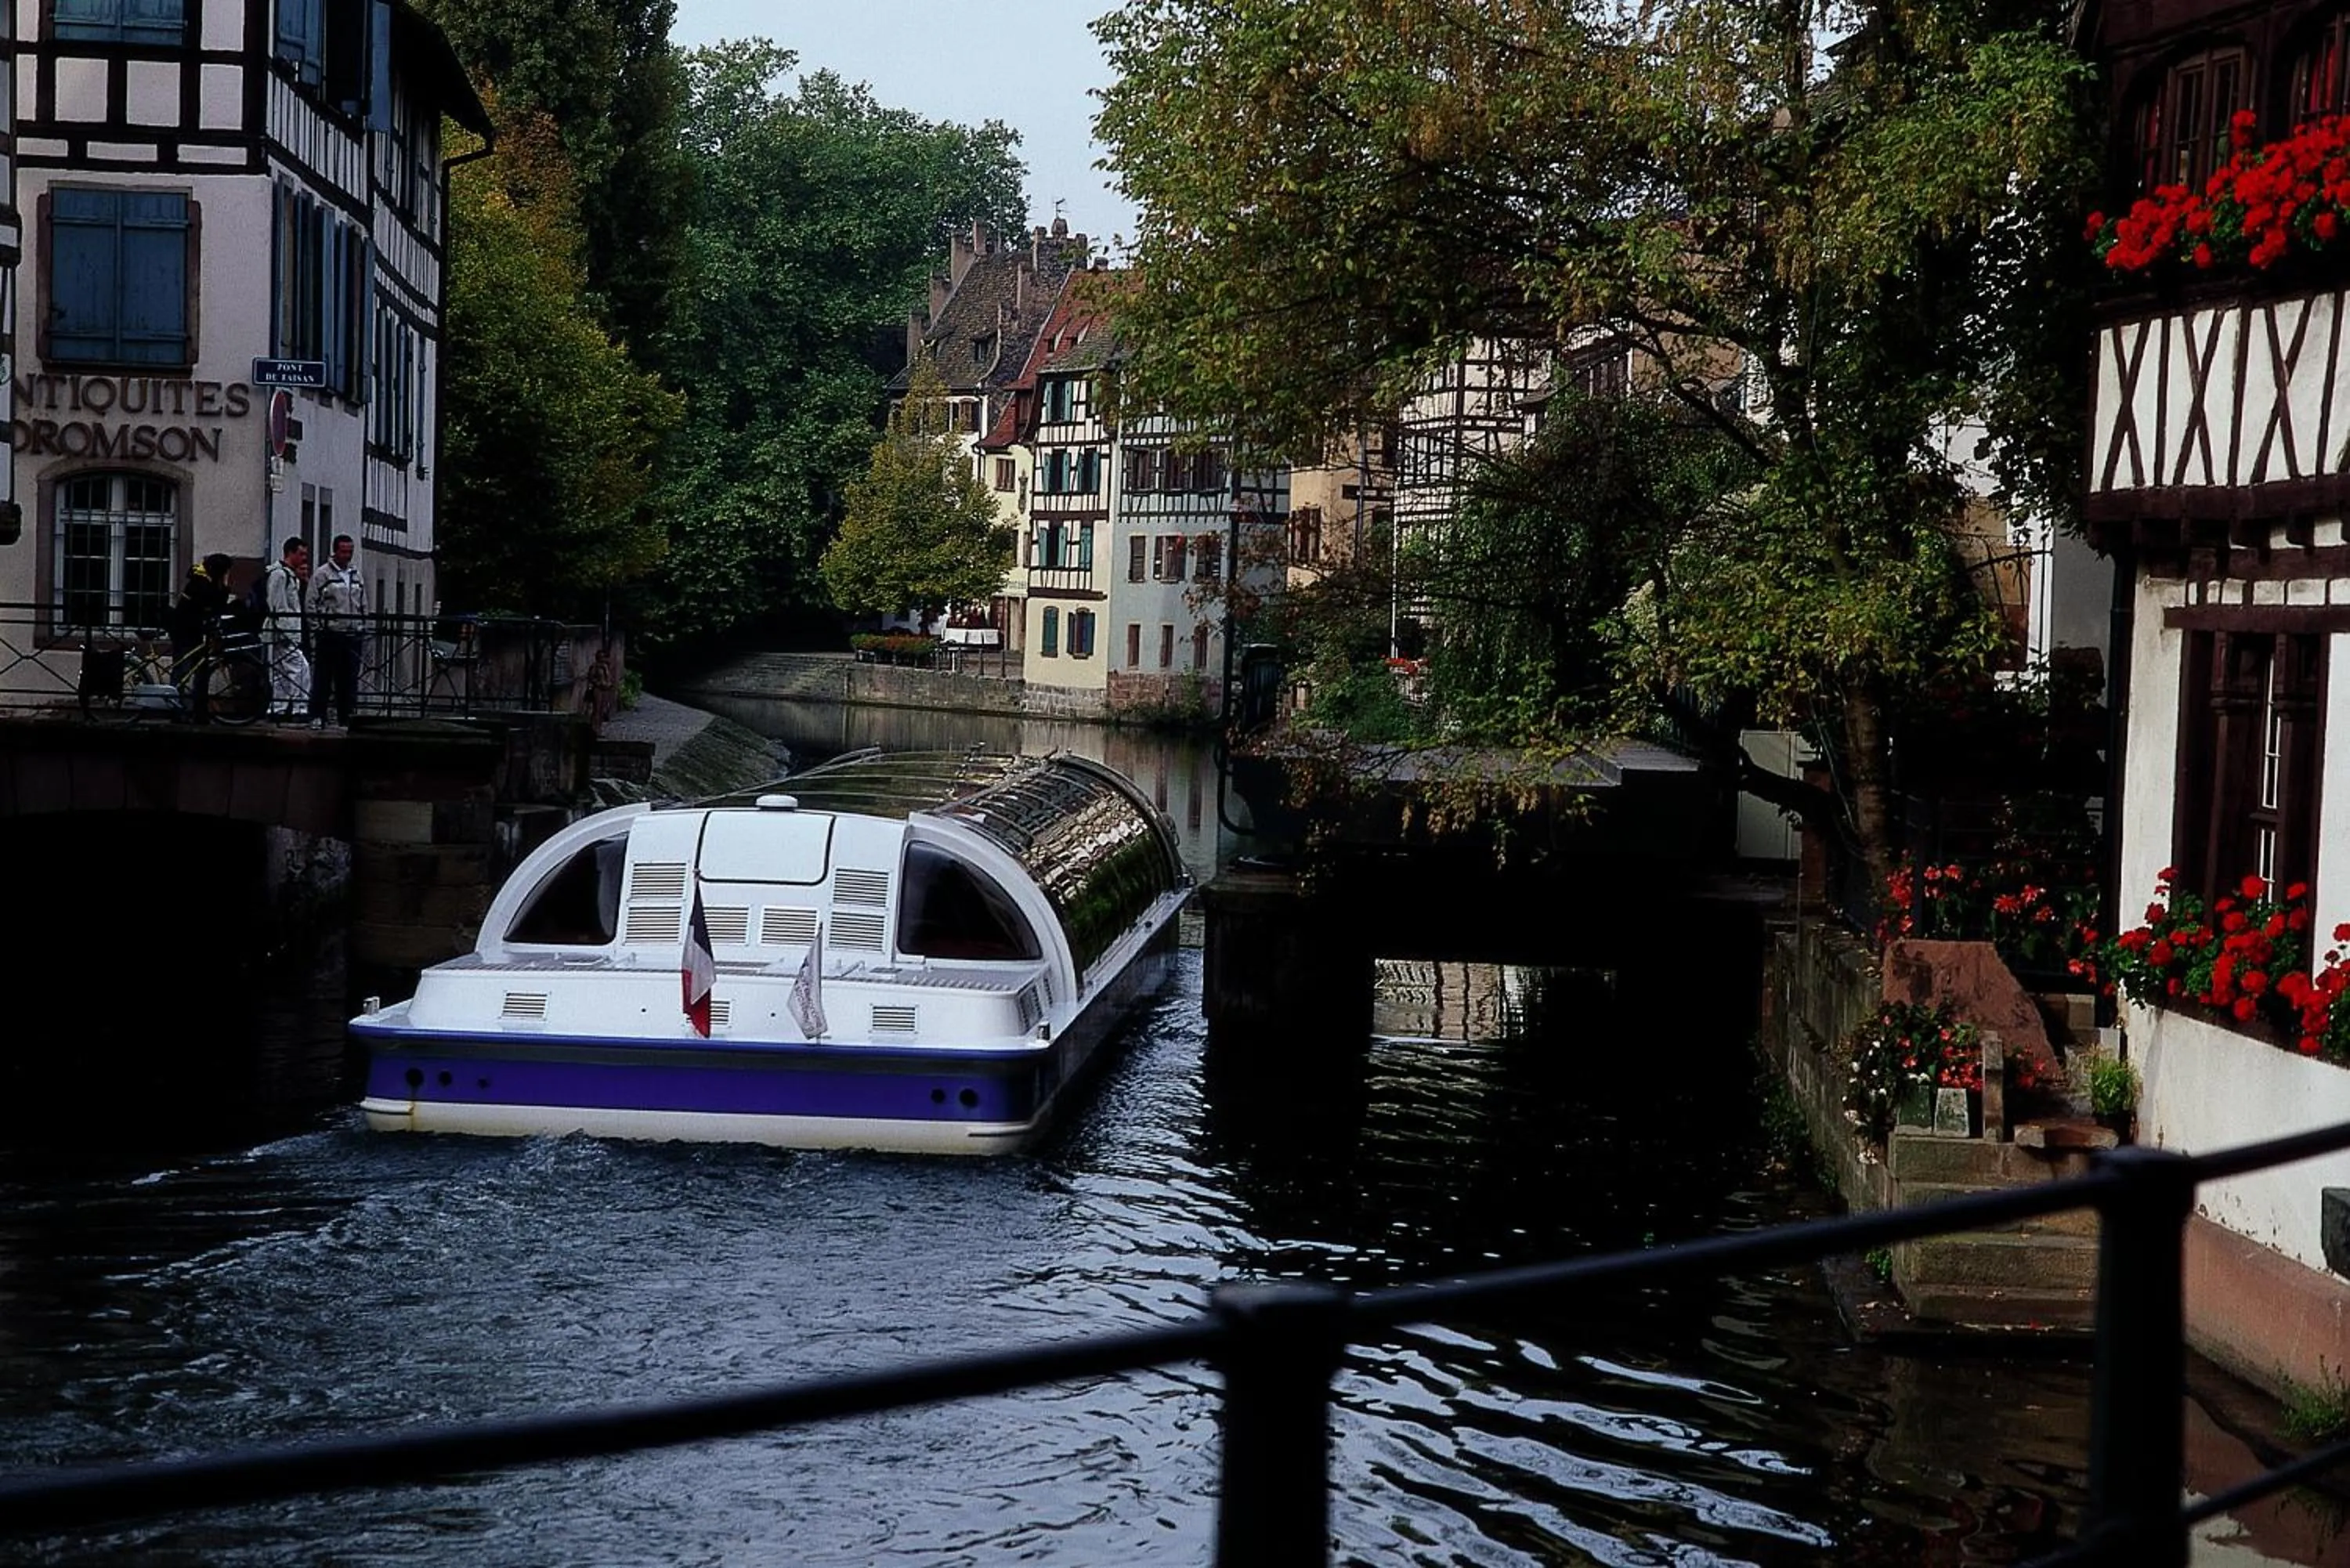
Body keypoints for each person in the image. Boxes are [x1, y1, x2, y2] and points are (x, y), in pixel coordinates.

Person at [307, 533, 367, 729]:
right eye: (344, 551)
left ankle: (346, 716)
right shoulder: (323, 574)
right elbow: (311, 603)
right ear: (335, 551)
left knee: (348, 678)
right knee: (323, 677)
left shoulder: (355, 574)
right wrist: (318, 628)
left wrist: (362, 624)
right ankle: (317, 715)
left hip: (352, 634)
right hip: (331, 633)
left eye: (350, 551)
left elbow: (363, 601)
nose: (347, 555)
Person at [167, 553, 236, 716]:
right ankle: (175, 707)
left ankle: (195, 708)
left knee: (198, 669)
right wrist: (225, 587)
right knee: (183, 670)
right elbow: (216, 605)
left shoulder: (204, 579)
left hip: (192, 631)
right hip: (185, 631)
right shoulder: (202, 583)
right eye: (226, 572)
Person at [262, 537, 311, 721]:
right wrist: (287, 630)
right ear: (290, 553)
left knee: (282, 673)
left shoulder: (287, 574)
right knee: (300, 669)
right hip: (285, 631)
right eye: (301, 554)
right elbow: (278, 605)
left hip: (287, 630)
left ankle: (278, 708)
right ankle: (300, 708)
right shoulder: (280, 575)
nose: (304, 558)